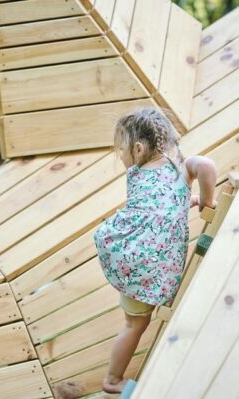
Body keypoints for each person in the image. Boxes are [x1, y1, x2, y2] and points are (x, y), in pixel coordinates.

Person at [94, 108, 217, 393]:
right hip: (144, 264)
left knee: (133, 324)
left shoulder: (136, 174)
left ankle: (114, 377)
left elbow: (157, 209)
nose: (121, 156)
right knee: (135, 326)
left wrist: (194, 199)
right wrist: (208, 202)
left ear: (138, 149)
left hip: (128, 254)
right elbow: (207, 167)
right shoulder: (182, 168)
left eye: (121, 150)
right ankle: (112, 380)